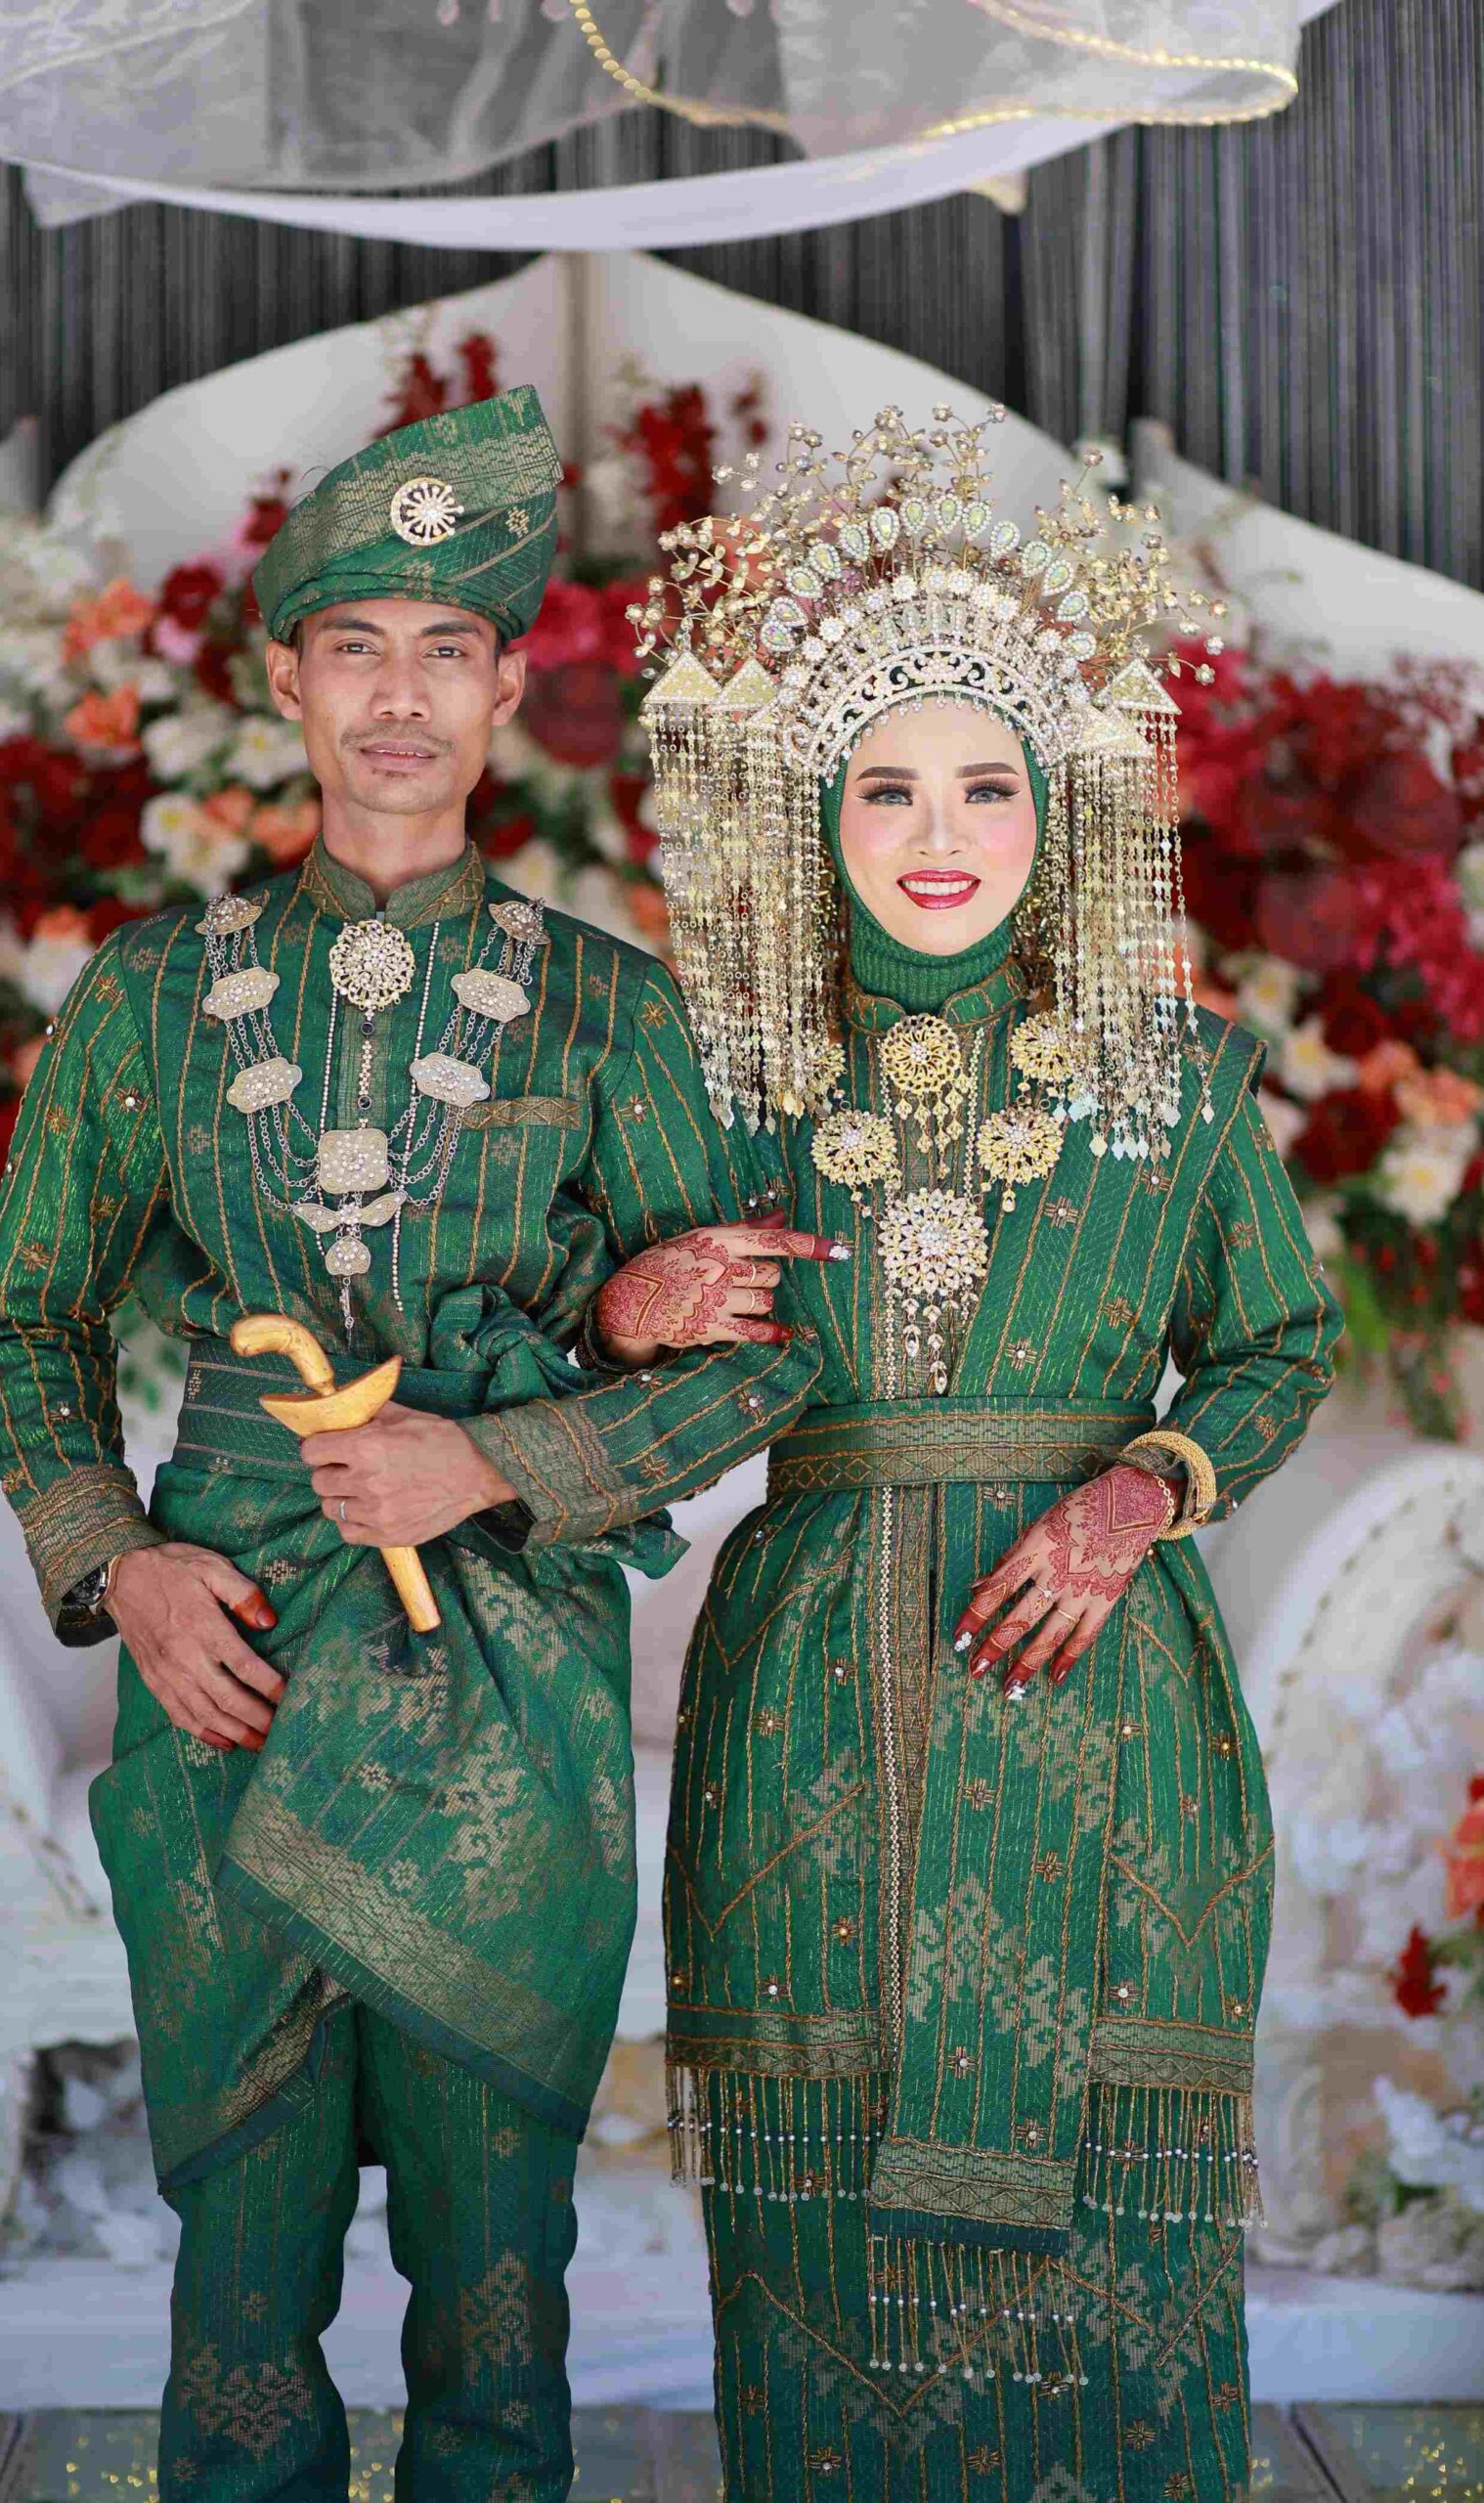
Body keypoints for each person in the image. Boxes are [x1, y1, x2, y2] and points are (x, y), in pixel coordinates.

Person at [0, 386, 841, 2503]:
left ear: (507, 689)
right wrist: (122, 1563)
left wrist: (501, 1464)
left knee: (493, 2257)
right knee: (243, 2258)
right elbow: (24, 1315)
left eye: (446, 649)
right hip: (232, 1646)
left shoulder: (606, 1008)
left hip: (501, 1679)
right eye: (355, 646)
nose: (398, 696)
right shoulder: (149, 997)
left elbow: (760, 1360)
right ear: (284, 681)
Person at [592, 407, 1341, 2498]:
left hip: (1106, 1689)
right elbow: (592, 1361)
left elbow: (1279, 1347)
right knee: (815, 2185)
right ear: (811, 804)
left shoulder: (1176, 1079)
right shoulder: (724, 1076)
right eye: (888, 785)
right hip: (808, 1696)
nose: (941, 834)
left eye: (986, 784)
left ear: (1057, 807)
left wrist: (1141, 1488)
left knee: (1115, 2190)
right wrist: (626, 1308)